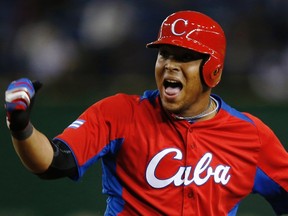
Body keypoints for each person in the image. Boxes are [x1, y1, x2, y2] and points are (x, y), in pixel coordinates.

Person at [4, 10, 288, 215]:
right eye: (164, 54)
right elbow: (55, 163)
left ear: (213, 70)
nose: (170, 65)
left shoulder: (250, 135)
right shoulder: (120, 112)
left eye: (185, 57)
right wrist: (21, 127)